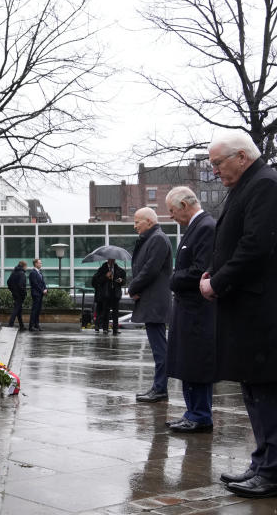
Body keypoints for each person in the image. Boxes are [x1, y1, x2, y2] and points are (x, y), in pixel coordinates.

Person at [198, 131, 277, 499]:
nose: (214, 171)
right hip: (254, 308)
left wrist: (217, 283)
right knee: (255, 388)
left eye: (218, 163)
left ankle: (274, 472)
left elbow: (255, 248)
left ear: (242, 156)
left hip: (266, 311)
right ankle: (263, 463)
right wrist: (215, 274)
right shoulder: (252, 184)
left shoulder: (265, 186)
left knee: (269, 389)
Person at [164, 186, 216, 433]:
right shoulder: (197, 227)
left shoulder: (205, 227)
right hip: (188, 308)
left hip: (198, 310)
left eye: (172, 211)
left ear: (184, 205)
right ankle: (192, 412)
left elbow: (202, 270)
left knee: (195, 363)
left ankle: (200, 415)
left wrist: (174, 279)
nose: (171, 216)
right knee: (188, 363)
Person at [128, 207, 172, 403]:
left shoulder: (157, 239)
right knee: (158, 348)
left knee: (160, 349)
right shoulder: (153, 239)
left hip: (155, 303)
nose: (135, 225)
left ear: (149, 221)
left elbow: (149, 270)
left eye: (137, 221)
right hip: (151, 301)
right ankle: (159, 387)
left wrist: (132, 287)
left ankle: (160, 388)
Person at [92, 258, 125, 334]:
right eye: (111, 260)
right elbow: (98, 281)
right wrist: (106, 276)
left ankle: (115, 329)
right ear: (108, 260)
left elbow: (124, 280)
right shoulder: (102, 269)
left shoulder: (119, 270)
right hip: (105, 294)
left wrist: (121, 281)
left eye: (114, 259)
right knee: (106, 311)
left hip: (115, 293)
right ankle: (105, 328)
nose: (112, 261)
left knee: (115, 312)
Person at [6, 261, 28, 330]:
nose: (26, 268)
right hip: (19, 295)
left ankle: (21, 325)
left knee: (19, 309)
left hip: (15, 293)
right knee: (16, 309)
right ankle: (10, 323)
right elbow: (21, 285)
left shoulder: (14, 272)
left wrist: (12, 290)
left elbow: (8, 282)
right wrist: (24, 293)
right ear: (24, 266)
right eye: (26, 266)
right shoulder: (22, 274)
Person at [28, 258, 47, 331]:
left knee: (38, 310)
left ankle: (36, 325)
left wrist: (45, 289)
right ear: (36, 264)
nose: (41, 264)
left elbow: (43, 282)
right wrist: (42, 290)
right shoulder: (33, 273)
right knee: (34, 310)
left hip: (40, 294)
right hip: (36, 294)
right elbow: (35, 284)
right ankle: (31, 326)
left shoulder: (40, 272)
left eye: (41, 263)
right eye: (40, 263)